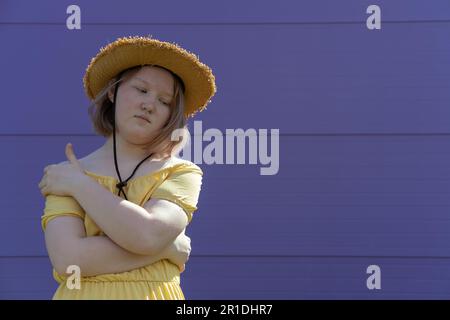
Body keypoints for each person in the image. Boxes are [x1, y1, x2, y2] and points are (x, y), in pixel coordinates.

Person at [38, 35, 216, 299]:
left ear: (172, 115)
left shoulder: (180, 172)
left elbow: (148, 234)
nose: (149, 105)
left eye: (164, 101)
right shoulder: (68, 172)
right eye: (141, 90)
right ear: (113, 91)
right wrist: (166, 249)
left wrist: (79, 185)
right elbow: (69, 261)